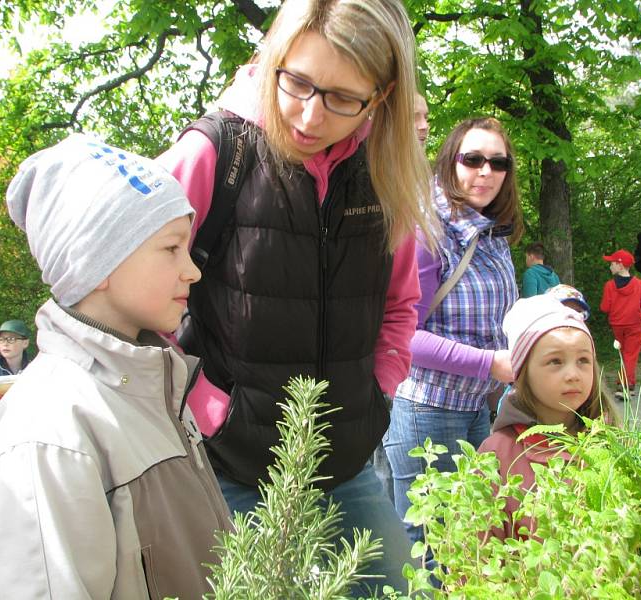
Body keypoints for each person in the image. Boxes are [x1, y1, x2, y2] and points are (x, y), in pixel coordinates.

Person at [157, 0, 434, 590]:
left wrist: (378, 389)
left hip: (346, 463)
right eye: (298, 82)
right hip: (231, 464)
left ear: (380, 97)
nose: (309, 116)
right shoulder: (214, 153)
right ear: (275, 59)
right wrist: (209, 409)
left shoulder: (386, 171)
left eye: (341, 98)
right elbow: (133, 303)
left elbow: (400, 306)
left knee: (396, 586)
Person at [0, 134, 233, 598]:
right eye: (171, 248)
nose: (193, 271)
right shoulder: (48, 439)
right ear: (97, 260)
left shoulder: (155, 386)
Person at [383, 116, 522, 550]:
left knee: (478, 532)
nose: (486, 171)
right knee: (429, 543)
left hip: (478, 406)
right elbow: (402, 334)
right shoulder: (427, 231)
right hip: (427, 412)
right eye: (473, 159)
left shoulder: (490, 233)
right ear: (450, 162)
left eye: (498, 163)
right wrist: (489, 363)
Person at [478, 295, 617, 539]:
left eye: (583, 360)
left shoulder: (612, 440)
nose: (573, 374)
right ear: (522, 373)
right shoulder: (497, 455)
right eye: (555, 361)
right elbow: (476, 556)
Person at [372, 89, 432, 504]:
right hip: (386, 378)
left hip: (392, 375)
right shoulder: (372, 181)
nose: (424, 126)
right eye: (413, 117)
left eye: (426, 116)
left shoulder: (418, 185)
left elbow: (405, 299)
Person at [599, 249, 641, 397]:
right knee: (631, 355)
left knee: (624, 354)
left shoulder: (609, 285)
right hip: (634, 324)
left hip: (617, 325)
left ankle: (628, 383)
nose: (610, 266)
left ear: (620, 266)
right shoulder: (640, 285)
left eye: (612, 263)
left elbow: (604, 307)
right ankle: (625, 386)